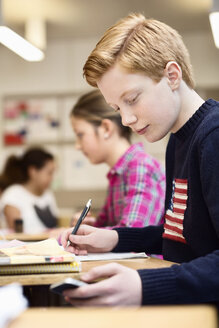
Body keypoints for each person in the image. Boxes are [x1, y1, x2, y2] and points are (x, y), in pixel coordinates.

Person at [60, 13, 219, 306]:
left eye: (132, 99)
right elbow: (182, 236)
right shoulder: (177, 140)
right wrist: (117, 239)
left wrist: (146, 285)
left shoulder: (213, 135)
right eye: (117, 107)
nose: (127, 118)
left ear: (172, 76)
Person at [70, 89, 165, 229]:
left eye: (80, 135)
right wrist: (87, 226)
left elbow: (132, 234)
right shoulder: (119, 173)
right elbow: (108, 227)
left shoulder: (141, 167)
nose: (77, 146)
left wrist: (88, 234)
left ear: (106, 128)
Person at [0, 147, 59, 233]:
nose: (52, 178)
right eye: (49, 173)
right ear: (33, 171)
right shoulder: (12, 195)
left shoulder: (47, 194)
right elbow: (18, 234)